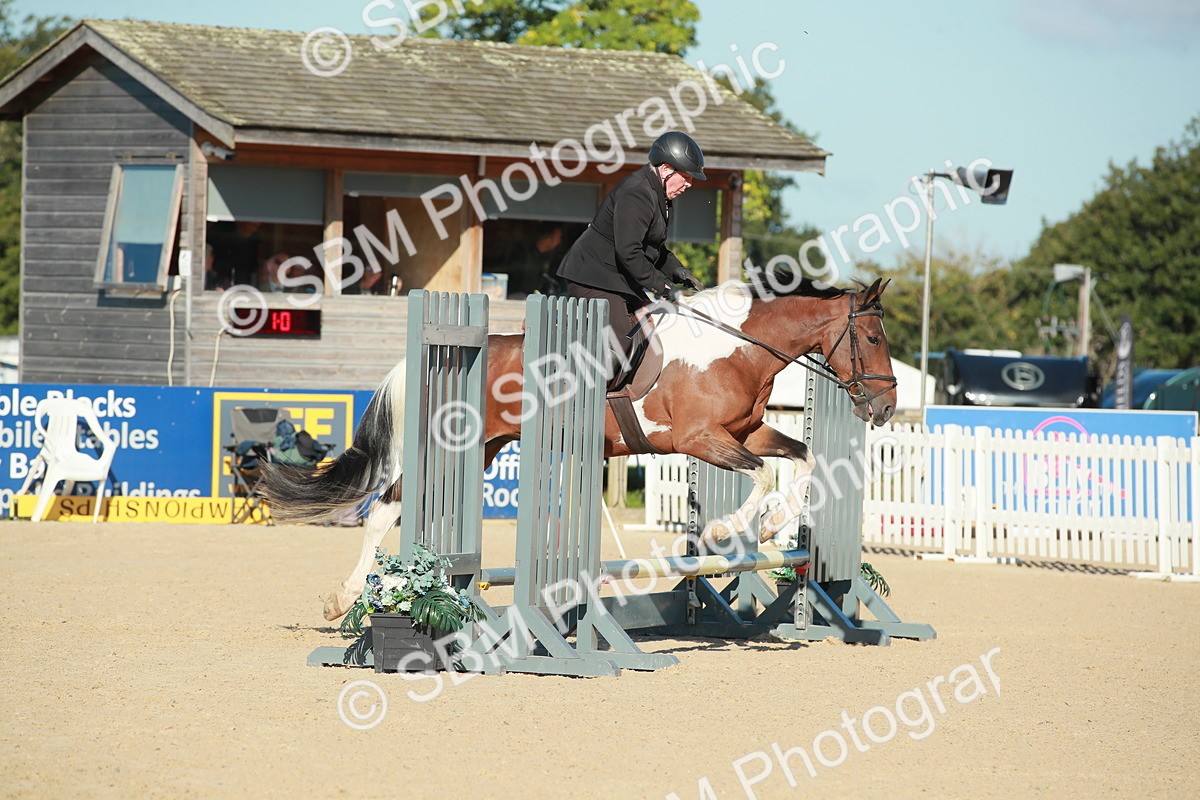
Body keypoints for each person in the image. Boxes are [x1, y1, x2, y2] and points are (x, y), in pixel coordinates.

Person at [555, 130, 706, 370]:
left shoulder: (661, 197)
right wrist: (662, 285)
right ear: (666, 169)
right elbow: (630, 252)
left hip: (618, 278)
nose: (689, 184)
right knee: (622, 341)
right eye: (686, 177)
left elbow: (653, 246)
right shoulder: (636, 192)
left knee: (651, 325)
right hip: (593, 277)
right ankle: (588, 397)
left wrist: (679, 272)